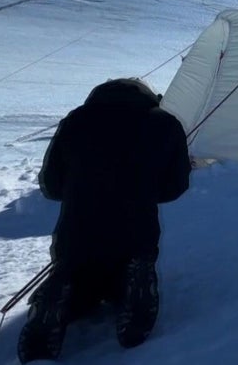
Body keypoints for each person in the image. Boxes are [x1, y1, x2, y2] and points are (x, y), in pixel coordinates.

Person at [18, 78, 191, 363]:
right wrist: (145, 189)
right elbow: (176, 186)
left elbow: (51, 185)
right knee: (125, 271)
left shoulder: (76, 120)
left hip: (76, 237)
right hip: (136, 234)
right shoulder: (165, 123)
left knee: (78, 280)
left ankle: (61, 289)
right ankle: (134, 282)